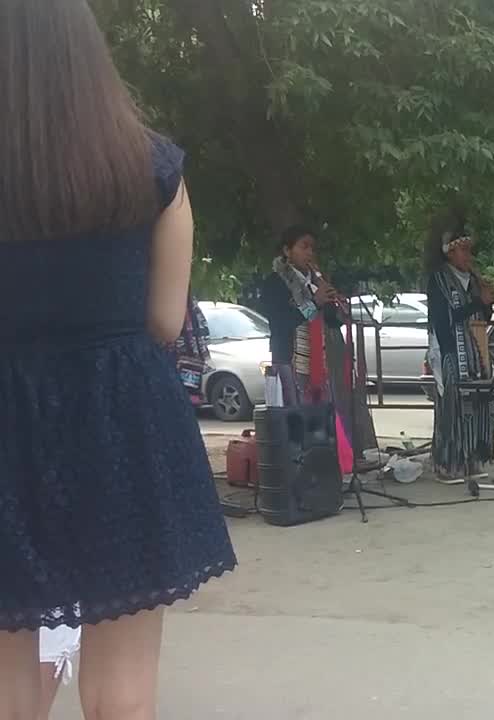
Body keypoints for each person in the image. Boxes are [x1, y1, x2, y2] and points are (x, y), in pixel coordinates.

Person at [0, 2, 237, 719]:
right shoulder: (152, 165)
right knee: (121, 694)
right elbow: (165, 320)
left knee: (9, 681)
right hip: (119, 426)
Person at [425, 231, 494, 493]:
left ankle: (472, 458)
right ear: (450, 253)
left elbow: (483, 316)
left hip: (476, 350)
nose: (468, 255)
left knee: (478, 404)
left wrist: (487, 302)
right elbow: (445, 319)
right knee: (452, 407)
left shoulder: (474, 281)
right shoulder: (439, 280)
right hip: (450, 352)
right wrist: (478, 301)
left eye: (469, 250)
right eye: (463, 250)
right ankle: (447, 463)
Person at [259, 225, 343, 407]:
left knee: (320, 422)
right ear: (287, 251)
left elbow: (330, 322)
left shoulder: (315, 283)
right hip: (288, 361)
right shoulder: (275, 283)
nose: (309, 253)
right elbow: (282, 322)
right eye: (304, 247)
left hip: (318, 363)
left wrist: (337, 308)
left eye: (312, 248)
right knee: (294, 421)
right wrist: (315, 303)